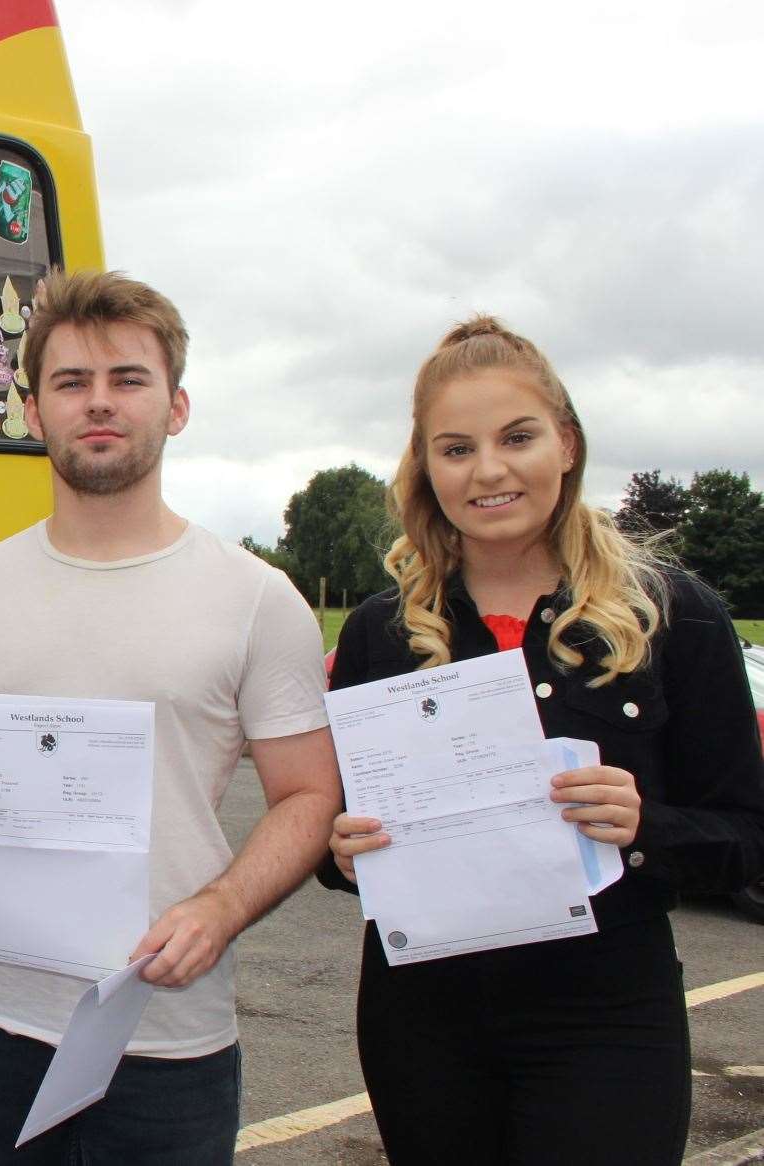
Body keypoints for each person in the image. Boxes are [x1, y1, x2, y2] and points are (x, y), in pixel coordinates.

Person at [0, 269, 341, 1164]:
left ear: (175, 406)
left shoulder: (255, 599)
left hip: (168, 1034)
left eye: (127, 379)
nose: (99, 403)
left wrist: (219, 906)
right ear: (31, 410)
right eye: (70, 382)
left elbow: (308, 797)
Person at [323, 316, 764, 1165]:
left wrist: (647, 824)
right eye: (455, 449)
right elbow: (340, 833)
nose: (487, 469)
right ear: (425, 468)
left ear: (564, 444)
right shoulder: (382, 631)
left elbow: (749, 837)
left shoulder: (673, 615)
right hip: (422, 1018)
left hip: (606, 1015)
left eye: (516, 437)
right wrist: (341, 854)